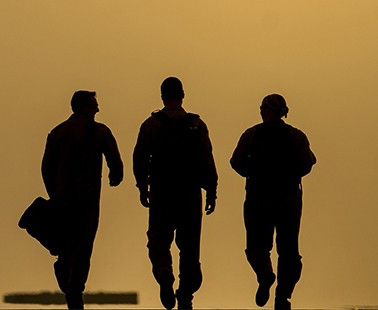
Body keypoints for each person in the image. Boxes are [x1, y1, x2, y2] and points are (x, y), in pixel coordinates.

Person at [133, 77, 217, 310]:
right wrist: (212, 190)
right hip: (190, 194)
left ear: (162, 96)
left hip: (162, 192)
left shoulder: (151, 125)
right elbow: (207, 160)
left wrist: (142, 187)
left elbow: (139, 158)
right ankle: (186, 296)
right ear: (182, 95)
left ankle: (163, 273)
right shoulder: (197, 125)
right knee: (190, 247)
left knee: (158, 240)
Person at [230, 94, 315, 310]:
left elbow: (236, 162)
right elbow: (308, 162)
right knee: (288, 252)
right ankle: (283, 297)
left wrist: (255, 174)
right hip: (288, 201)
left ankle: (265, 275)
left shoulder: (252, 135)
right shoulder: (297, 136)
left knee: (257, 248)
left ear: (266, 111)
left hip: (258, 200)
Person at [41, 90, 123, 309]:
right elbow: (116, 163)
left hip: (62, 199)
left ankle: (68, 278)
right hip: (87, 200)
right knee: (84, 245)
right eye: (94, 104)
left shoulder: (57, 132)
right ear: (86, 107)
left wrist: (54, 193)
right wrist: (115, 175)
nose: (98, 108)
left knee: (68, 242)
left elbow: (46, 168)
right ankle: (75, 290)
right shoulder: (99, 132)